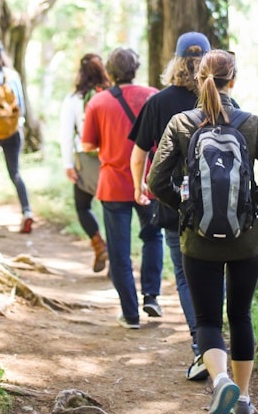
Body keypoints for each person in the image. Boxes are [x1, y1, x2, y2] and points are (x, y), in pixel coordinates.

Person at [148, 49, 258, 414]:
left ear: (198, 79)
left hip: (198, 241)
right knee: (241, 315)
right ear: (234, 80)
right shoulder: (251, 123)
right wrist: (247, 204)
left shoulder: (181, 123)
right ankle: (243, 401)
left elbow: (155, 183)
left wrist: (187, 209)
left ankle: (221, 382)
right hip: (246, 242)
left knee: (209, 319)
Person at [128, 32, 210, 379]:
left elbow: (138, 154)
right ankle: (216, 342)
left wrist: (139, 188)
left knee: (186, 276)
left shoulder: (159, 102)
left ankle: (201, 348)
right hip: (219, 202)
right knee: (215, 272)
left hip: (174, 202)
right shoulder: (221, 100)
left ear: (175, 62)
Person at [81, 47, 163, 329]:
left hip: (114, 184)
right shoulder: (153, 95)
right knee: (153, 237)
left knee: (119, 251)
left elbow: (87, 144)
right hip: (149, 182)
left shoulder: (98, 102)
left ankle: (130, 314)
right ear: (136, 68)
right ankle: (151, 295)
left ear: (110, 71)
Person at [59, 53, 111, 272]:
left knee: (83, 207)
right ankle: (116, 260)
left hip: (85, 162)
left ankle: (99, 244)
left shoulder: (74, 100)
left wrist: (68, 164)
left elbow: (65, 134)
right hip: (111, 161)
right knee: (112, 211)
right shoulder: (111, 95)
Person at [0, 37, 33, 233]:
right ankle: (27, 211)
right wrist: (18, 125)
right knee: (15, 172)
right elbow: (22, 108)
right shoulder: (13, 76)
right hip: (12, 131)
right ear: (1, 55)